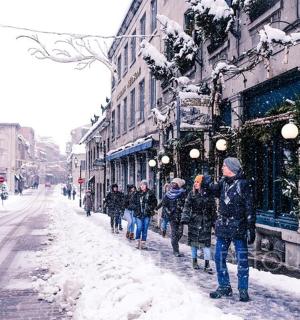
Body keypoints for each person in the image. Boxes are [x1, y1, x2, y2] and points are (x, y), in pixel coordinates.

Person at [208, 157, 256, 302]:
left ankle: (243, 289)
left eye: (224, 165)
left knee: (242, 259)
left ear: (231, 168)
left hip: (238, 226)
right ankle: (224, 286)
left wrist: (250, 227)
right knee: (219, 257)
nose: (222, 167)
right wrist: (207, 182)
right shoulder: (223, 183)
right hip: (223, 227)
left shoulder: (243, 184)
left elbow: (250, 207)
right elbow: (213, 191)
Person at [181, 175, 216, 272]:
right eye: (195, 182)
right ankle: (194, 261)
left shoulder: (209, 195)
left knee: (206, 244)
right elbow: (187, 206)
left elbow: (213, 210)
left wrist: (214, 223)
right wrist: (185, 217)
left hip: (206, 222)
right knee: (194, 243)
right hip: (194, 221)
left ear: (202, 184)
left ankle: (207, 264)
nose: (195, 184)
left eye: (198, 182)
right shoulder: (191, 194)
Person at [160, 178, 186, 257]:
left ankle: (174, 242)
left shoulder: (182, 193)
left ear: (178, 185)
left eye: (175, 183)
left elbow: (185, 203)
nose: (172, 184)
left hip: (180, 216)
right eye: (172, 183)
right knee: (174, 233)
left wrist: (182, 208)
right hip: (172, 217)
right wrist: (169, 212)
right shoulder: (168, 194)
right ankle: (176, 251)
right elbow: (164, 204)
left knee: (180, 233)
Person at [134, 180, 157, 249]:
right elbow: (132, 203)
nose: (142, 186)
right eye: (141, 185)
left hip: (147, 214)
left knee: (145, 228)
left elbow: (154, 202)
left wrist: (150, 208)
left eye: (143, 185)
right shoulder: (137, 194)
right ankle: (137, 240)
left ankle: (143, 243)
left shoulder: (150, 193)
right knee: (139, 227)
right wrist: (136, 208)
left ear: (146, 185)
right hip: (138, 214)